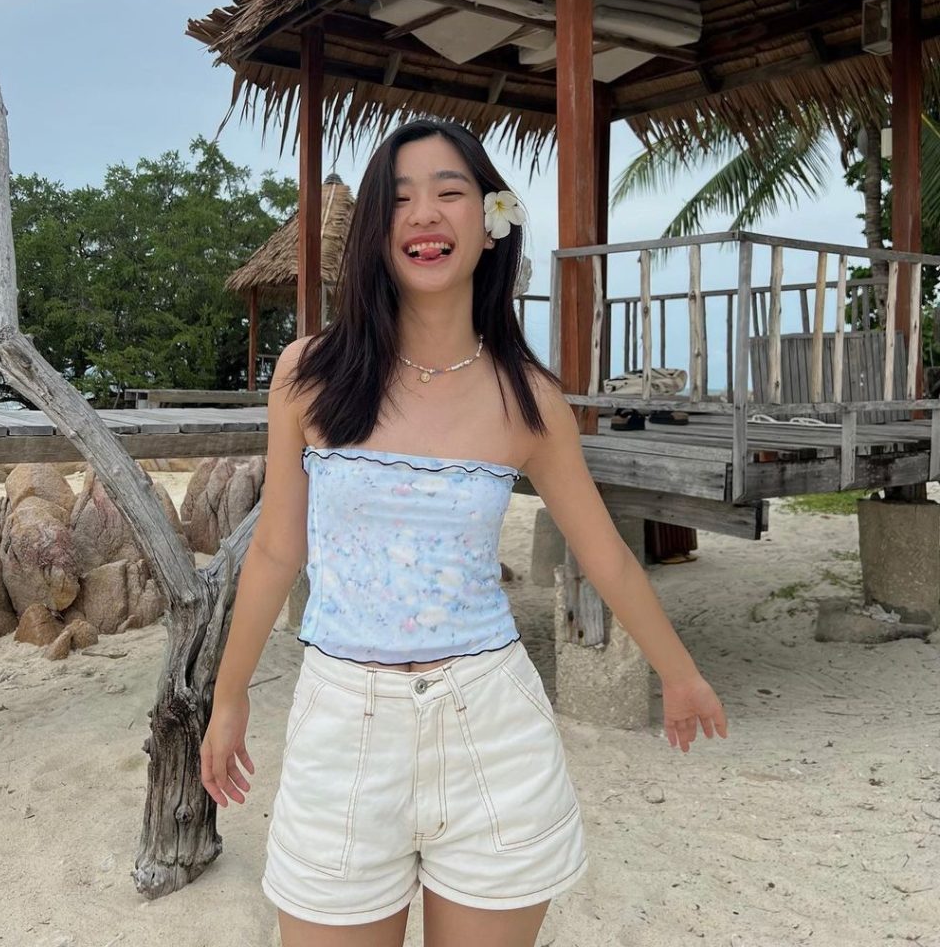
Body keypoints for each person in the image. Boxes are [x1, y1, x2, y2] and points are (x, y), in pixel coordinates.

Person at [200, 118, 728, 947]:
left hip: (492, 730)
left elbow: (602, 551)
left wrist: (682, 675)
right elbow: (276, 550)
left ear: (491, 223)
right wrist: (227, 699)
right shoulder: (309, 373)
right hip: (342, 726)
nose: (425, 214)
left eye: (450, 192)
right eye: (400, 198)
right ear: (374, 233)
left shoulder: (529, 397)